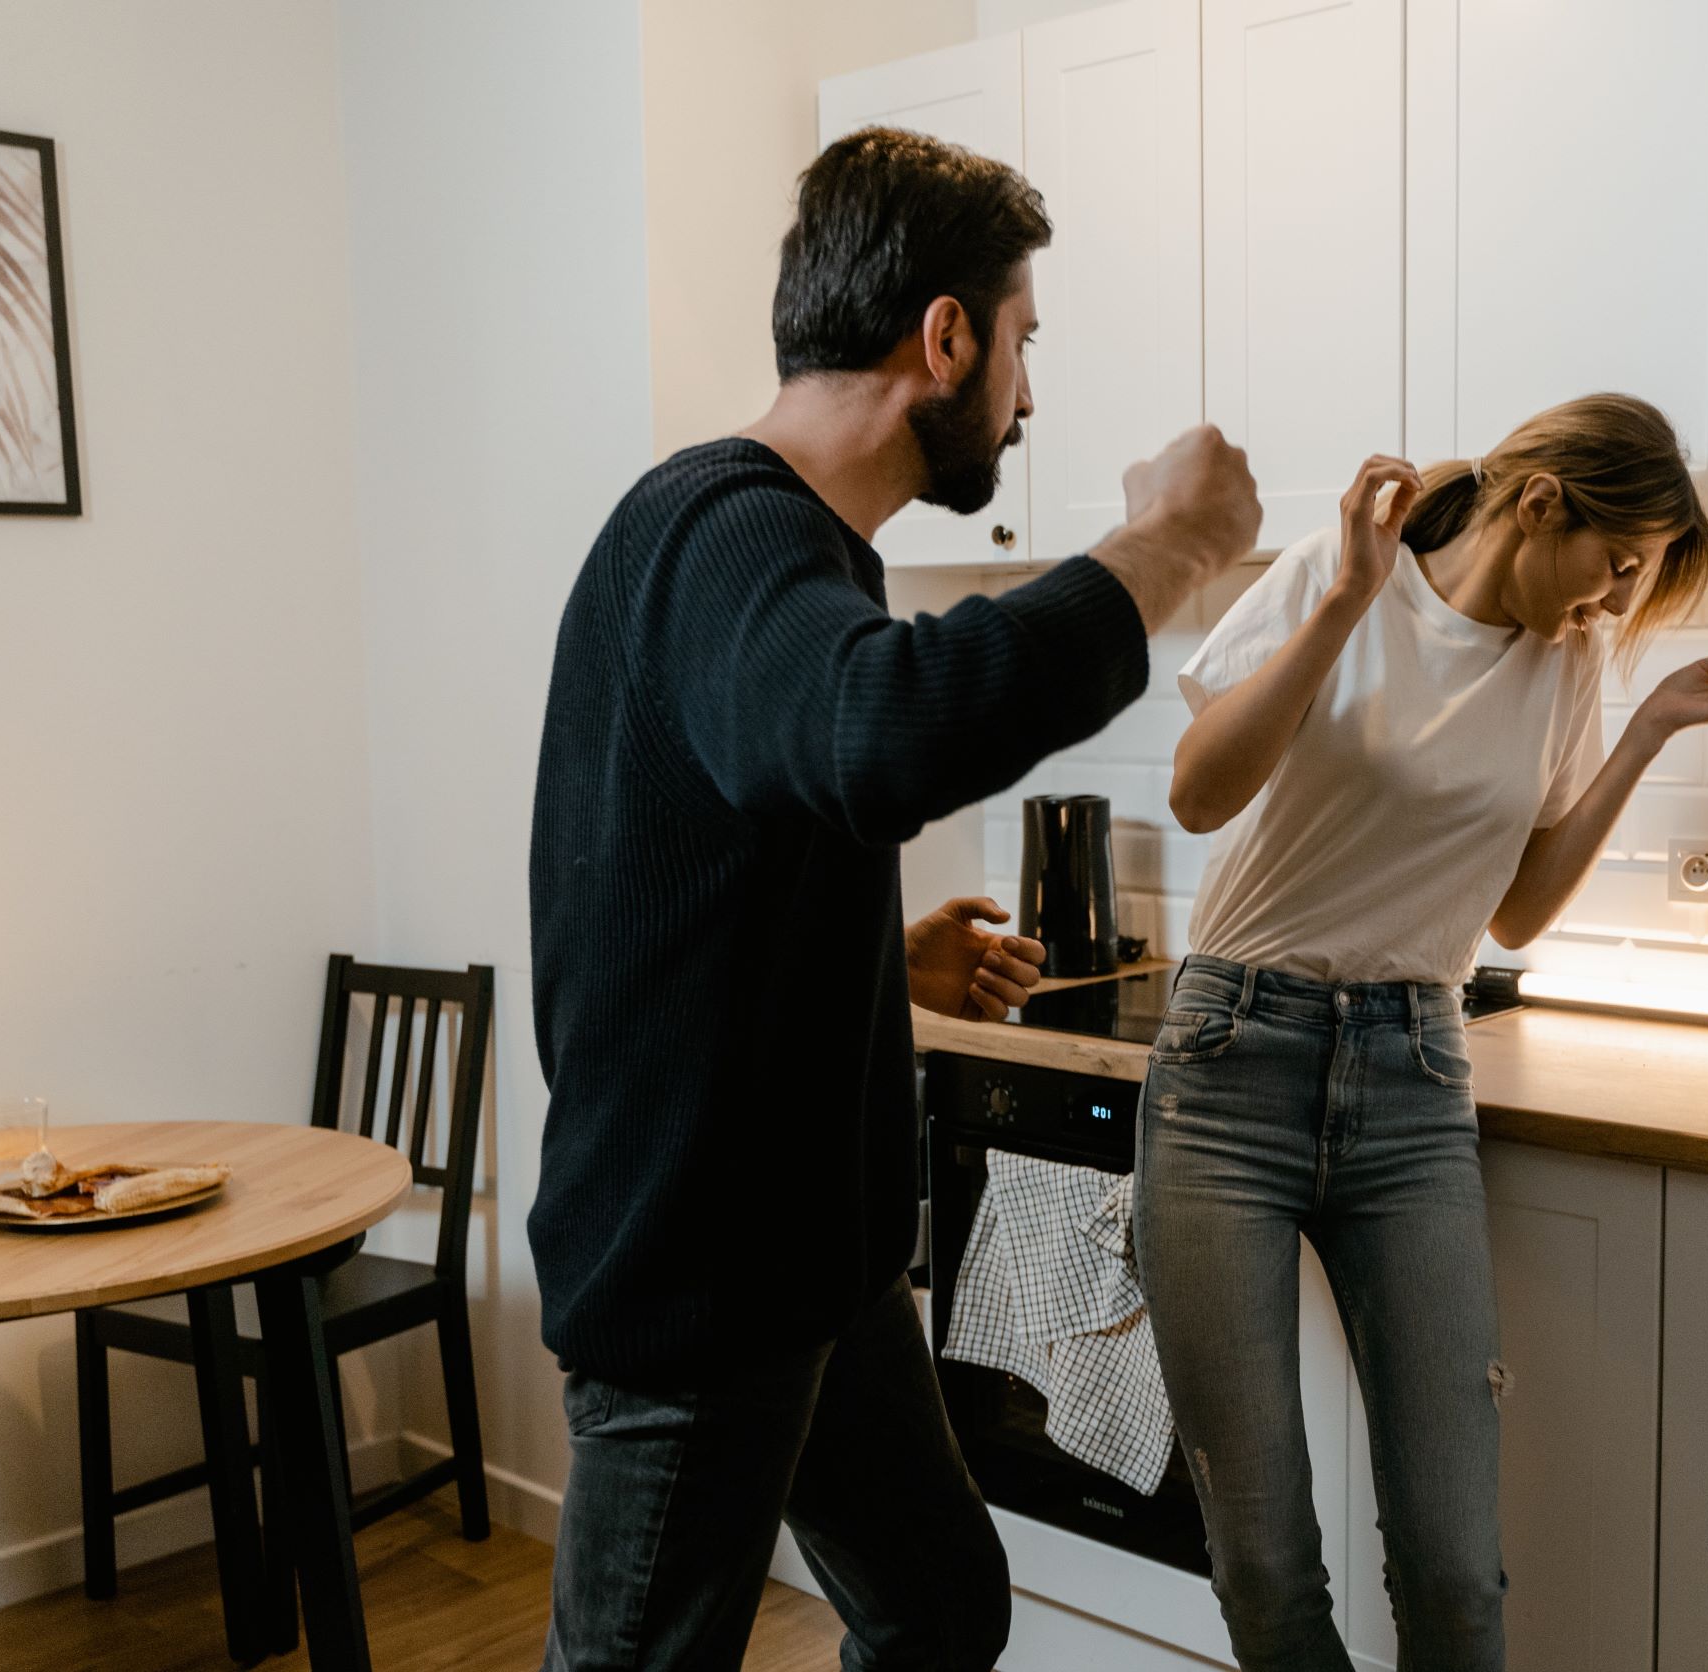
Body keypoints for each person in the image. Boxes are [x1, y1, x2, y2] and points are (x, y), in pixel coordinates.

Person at [527, 127, 1261, 1671]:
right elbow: (882, 734)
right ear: (944, 337)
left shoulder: (805, 564)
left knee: (938, 1606)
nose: (1029, 393)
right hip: (699, 1284)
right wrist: (1170, 541)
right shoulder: (721, 532)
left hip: (815, 1267)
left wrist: (882, 960)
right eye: (1022, 344)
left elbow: (723, 853)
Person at [1138, 394, 1708, 1669]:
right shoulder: (1345, 571)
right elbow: (1201, 793)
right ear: (1544, 504)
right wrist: (1339, 606)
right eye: (1616, 565)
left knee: (1452, 1570)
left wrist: (1649, 728)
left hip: (1413, 1076)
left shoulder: (1570, 657)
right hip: (1230, 1063)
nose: (1611, 600)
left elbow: (1522, 910)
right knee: (1264, 1562)